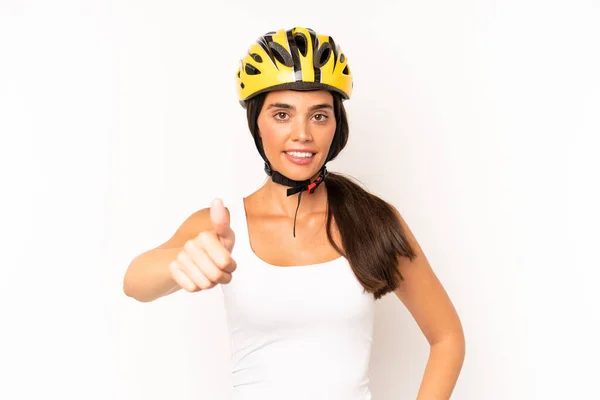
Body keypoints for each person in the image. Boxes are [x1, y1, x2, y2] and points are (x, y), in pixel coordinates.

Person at [123, 26, 465, 400]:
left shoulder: (373, 221)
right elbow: (134, 282)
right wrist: (181, 261)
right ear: (257, 122)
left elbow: (446, 337)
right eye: (282, 114)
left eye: (319, 116)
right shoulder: (221, 226)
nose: (302, 133)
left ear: (337, 125)